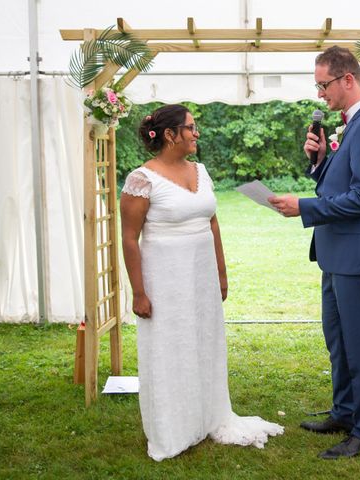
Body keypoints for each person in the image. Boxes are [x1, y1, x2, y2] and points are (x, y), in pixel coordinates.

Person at [120, 104, 283, 461]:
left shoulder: (201, 171)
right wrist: (139, 292)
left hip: (201, 276)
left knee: (204, 344)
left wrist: (221, 274)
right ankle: (172, 427)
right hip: (164, 279)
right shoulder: (142, 180)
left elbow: (212, 223)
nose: (196, 134)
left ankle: (208, 415)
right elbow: (130, 238)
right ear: (170, 135)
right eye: (191, 128)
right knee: (170, 348)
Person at [269, 46, 360, 459]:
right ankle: (344, 412)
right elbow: (341, 184)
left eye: (323, 85)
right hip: (336, 253)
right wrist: (320, 162)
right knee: (338, 341)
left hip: (359, 256)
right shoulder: (352, 126)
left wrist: (304, 206)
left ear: (347, 79)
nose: (320, 94)